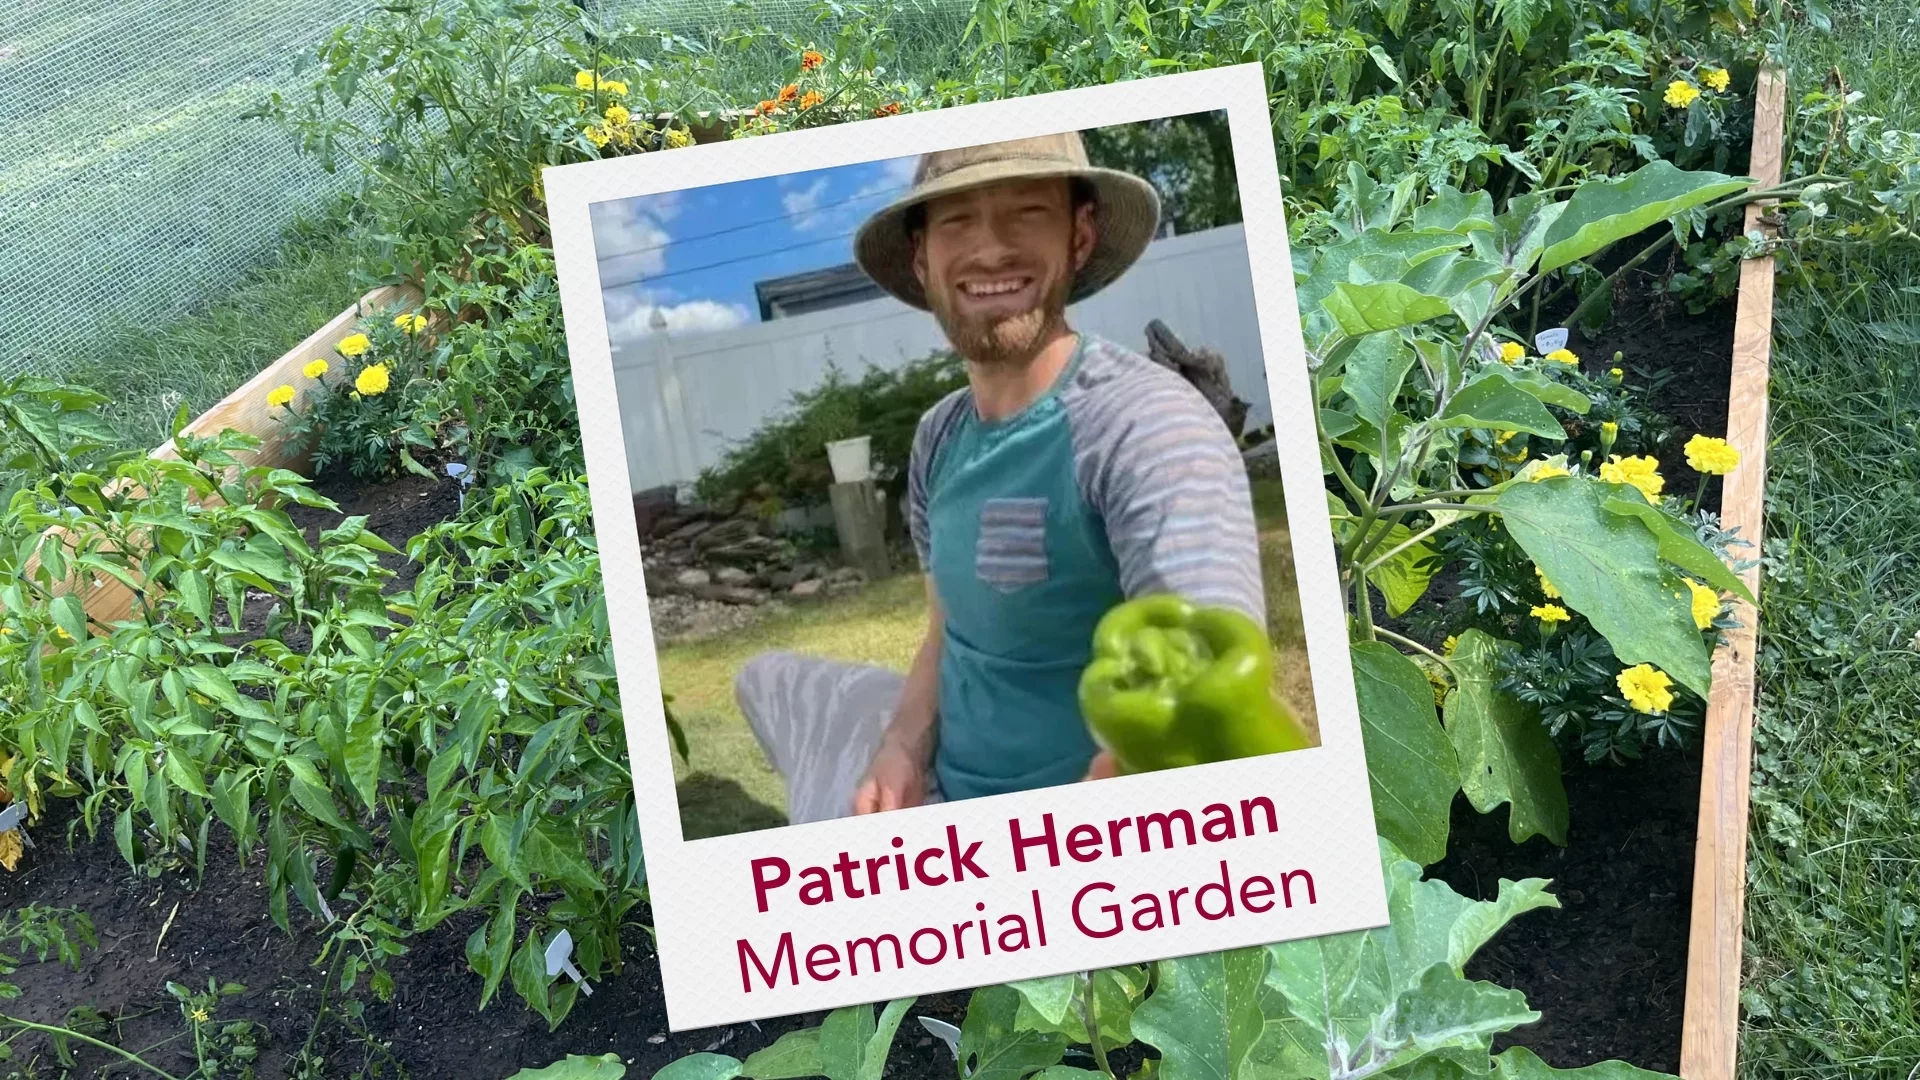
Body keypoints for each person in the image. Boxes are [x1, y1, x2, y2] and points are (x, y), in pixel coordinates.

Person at [735, 130, 1264, 824]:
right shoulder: (939, 438)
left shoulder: (1146, 426)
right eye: (956, 219)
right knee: (759, 677)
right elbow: (945, 625)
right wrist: (900, 746)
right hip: (937, 782)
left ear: (1079, 236)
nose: (989, 247)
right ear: (922, 258)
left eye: (1026, 211)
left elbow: (1208, 700)